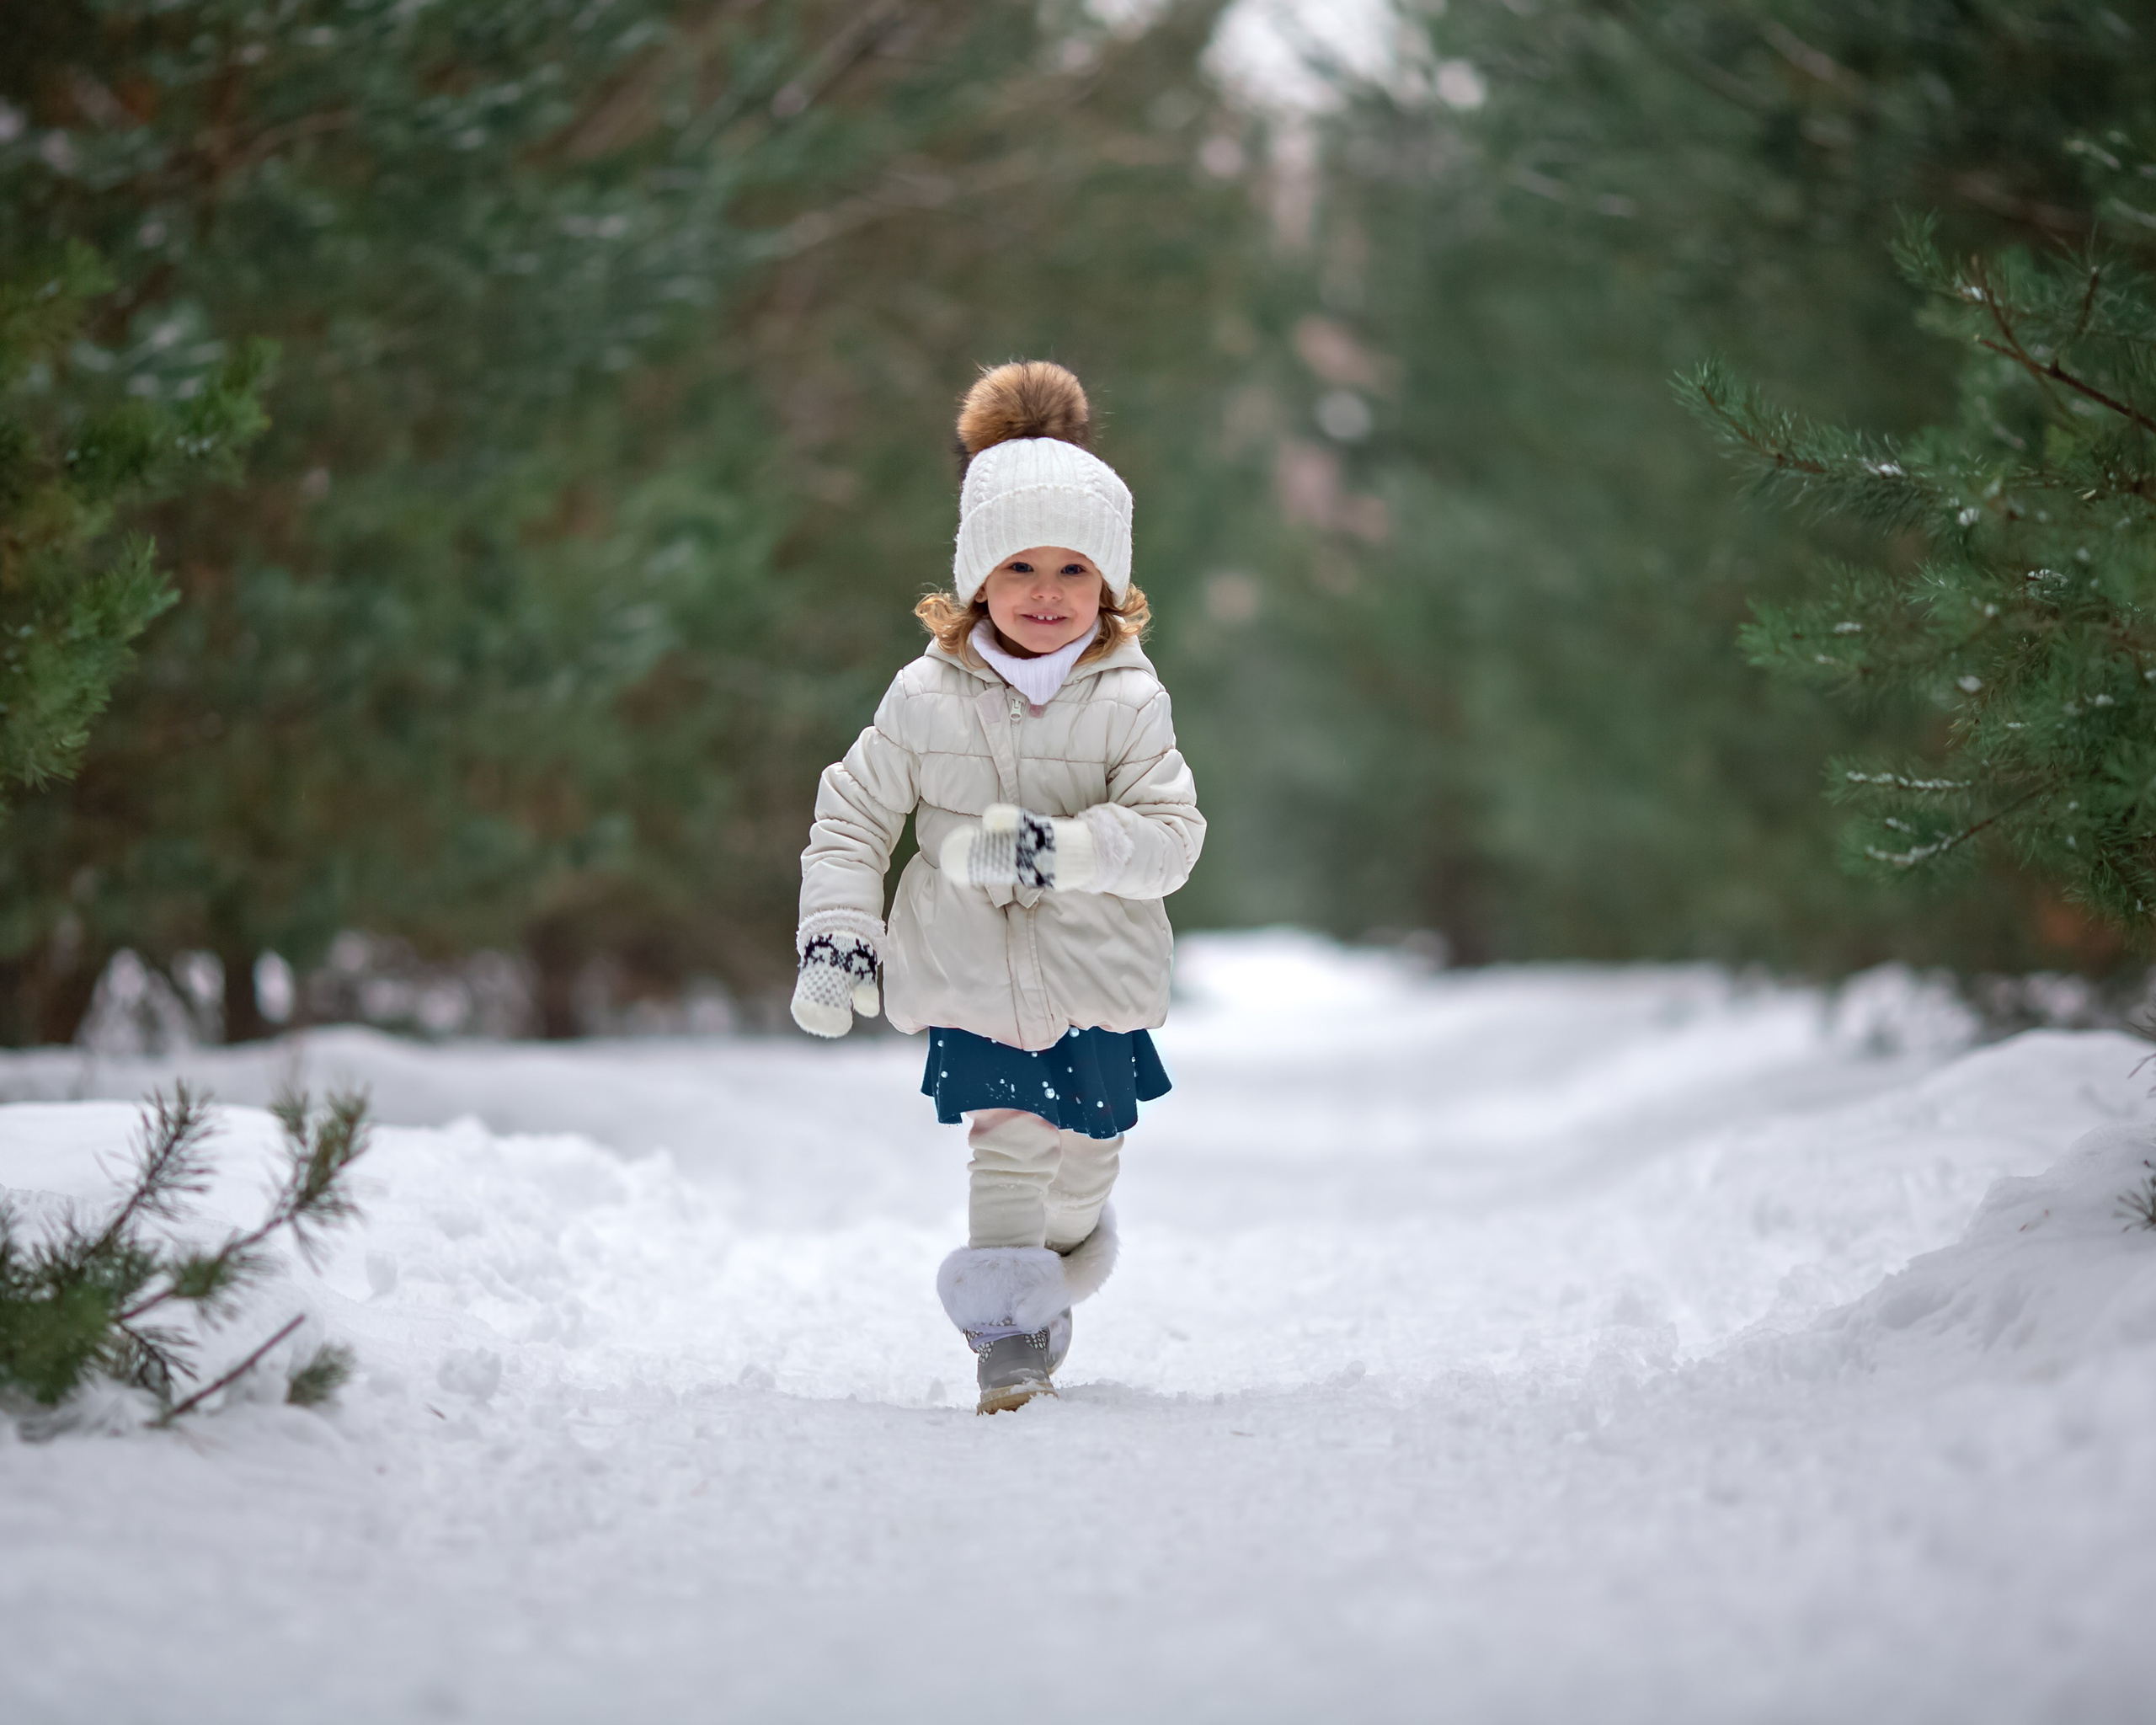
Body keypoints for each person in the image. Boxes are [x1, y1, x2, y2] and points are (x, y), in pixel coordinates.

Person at [790, 360, 1205, 1414]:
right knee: (1009, 1150)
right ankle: (1010, 1338)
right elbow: (853, 812)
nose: (1047, 593)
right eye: (1020, 567)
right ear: (976, 576)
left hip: (1093, 978)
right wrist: (840, 933)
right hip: (972, 980)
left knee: (1085, 1163)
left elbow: (1171, 836)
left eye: (1074, 570)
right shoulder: (923, 698)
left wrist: (1059, 852)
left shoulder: (1127, 697)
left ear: (1108, 584)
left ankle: (1052, 1274)